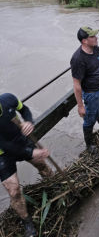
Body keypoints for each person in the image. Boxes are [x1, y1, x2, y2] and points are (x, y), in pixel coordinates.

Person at [0, 93, 52, 237]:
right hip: (3, 153)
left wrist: (29, 122)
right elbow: (7, 147)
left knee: (42, 165)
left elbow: (25, 110)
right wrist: (32, 152)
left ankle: (54, 184)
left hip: (21, 140)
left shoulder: (8, 99)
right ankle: (26, 221)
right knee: (14, 190)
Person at [71, 27, 99, 153]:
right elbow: (77, 84)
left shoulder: (95, 48)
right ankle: (89, 146)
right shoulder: (78, 59)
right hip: (91, 94)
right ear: (84, 40)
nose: (96, 38)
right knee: (89, 120)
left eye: (95, 35)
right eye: (93, 37)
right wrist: (80, 106)